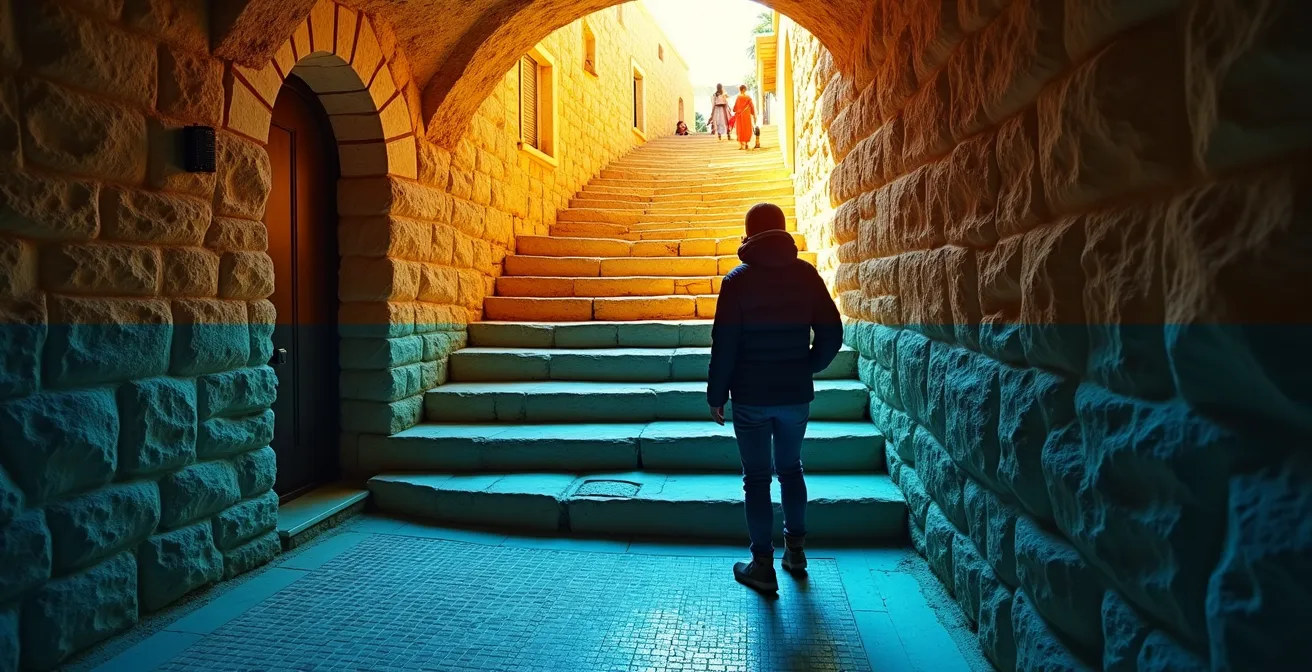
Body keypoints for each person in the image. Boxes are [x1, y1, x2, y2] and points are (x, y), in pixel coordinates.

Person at [707, 203, 843, 594]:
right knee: (791, 469)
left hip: (750, 397)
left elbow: (725, 345)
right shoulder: (805, 275)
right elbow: (832, 333)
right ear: (782, 232)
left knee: (756, 479)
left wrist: (717, 394)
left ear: (748, 235)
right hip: (794, 395)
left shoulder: (737, 281)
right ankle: (796, 553)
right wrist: (807, 366)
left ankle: (762, 565)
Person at [732, 85, 756, 150]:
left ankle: (742, 145)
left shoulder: (738, 97)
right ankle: (746, 143)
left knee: (740, 129)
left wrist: (734, 110)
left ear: (740, 90)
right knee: (746, 127)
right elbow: (752, 106)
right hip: (746, 115)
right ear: (744, 89)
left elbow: (735, 107)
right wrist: (753, 115)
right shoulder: (748, 97)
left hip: (740, 115)